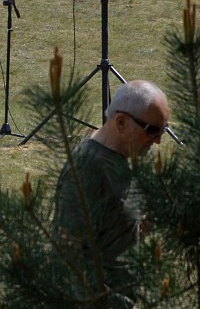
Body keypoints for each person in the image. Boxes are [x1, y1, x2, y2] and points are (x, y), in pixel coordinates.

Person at [53, 80, 170, 286]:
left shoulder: (125, 156)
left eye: (163, 130)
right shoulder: (86, 169)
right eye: (152, 130)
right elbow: (67, 253)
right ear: (121, 122)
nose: (158, 140)